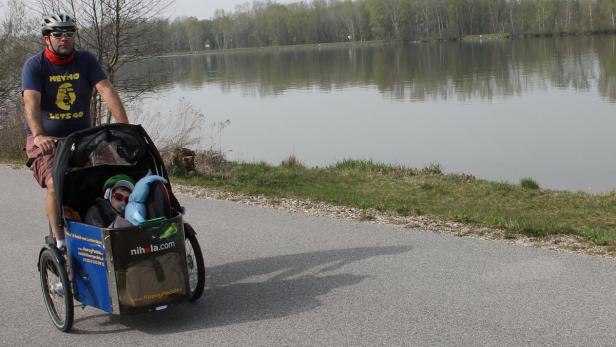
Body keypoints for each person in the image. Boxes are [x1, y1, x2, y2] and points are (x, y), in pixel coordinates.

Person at [22, 13, 129, 249]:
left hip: (84, 138)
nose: (64, 39)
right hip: (45, 140)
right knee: (55, 183)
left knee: (113, 177)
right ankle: (60, 242)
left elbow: (107, 91)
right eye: (57, 34)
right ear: (46, 39)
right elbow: (31, 101)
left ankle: (112, 226)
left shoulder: (86, 61)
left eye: (69, 34)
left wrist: (124, 127)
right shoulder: (35, 65)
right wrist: (39, 134)